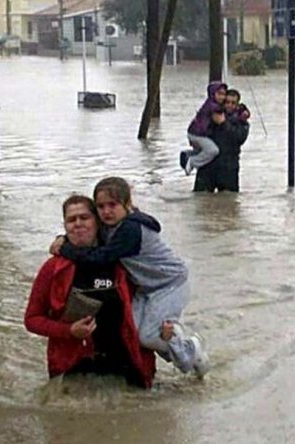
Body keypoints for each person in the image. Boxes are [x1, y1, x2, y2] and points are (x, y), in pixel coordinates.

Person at [50, 177, 210, 378]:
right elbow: (84, 230)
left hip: (170, 283)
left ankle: (188, 345)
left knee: (148, 336)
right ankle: (178, 344)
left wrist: (65, 249)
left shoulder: (130, 230)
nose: (106, 211)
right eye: (101, 206)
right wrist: (63, 237)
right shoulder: (110, 223)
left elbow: (101, 258)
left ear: (127, 204)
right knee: (133, 332)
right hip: (147, 287)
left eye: (113, 205)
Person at [25, 195, 155, 388]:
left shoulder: (124, 261)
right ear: (65, 226)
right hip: (73, 367)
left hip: (127, 364)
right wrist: (69, 330)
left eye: (84, 217)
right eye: (71, 219)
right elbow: (32, 319)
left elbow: (154, 295)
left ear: (97, 221)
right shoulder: (52, 268)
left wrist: (164, 326)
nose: (78, 224)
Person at [195, 90, 250, 193]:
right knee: (201, 200)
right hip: (207, 167)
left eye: (233, 103)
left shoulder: (242, 122)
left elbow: (239, 138)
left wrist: (223, 123)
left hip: (228, 169)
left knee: (229, 202)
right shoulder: (211, 115)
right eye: (227, 102)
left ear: (237, 105)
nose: (229, 105)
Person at [180, 81, 228, 176]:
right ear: (212, 94)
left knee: (204, 150)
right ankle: (192, 161)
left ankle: (189, 154)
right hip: (198, 134)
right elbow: (220, 113)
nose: (222, 97)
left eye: (224, 94)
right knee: (213, 150)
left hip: (195, 133)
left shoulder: (210, 103)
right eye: (219, 94)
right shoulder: (212, 105)